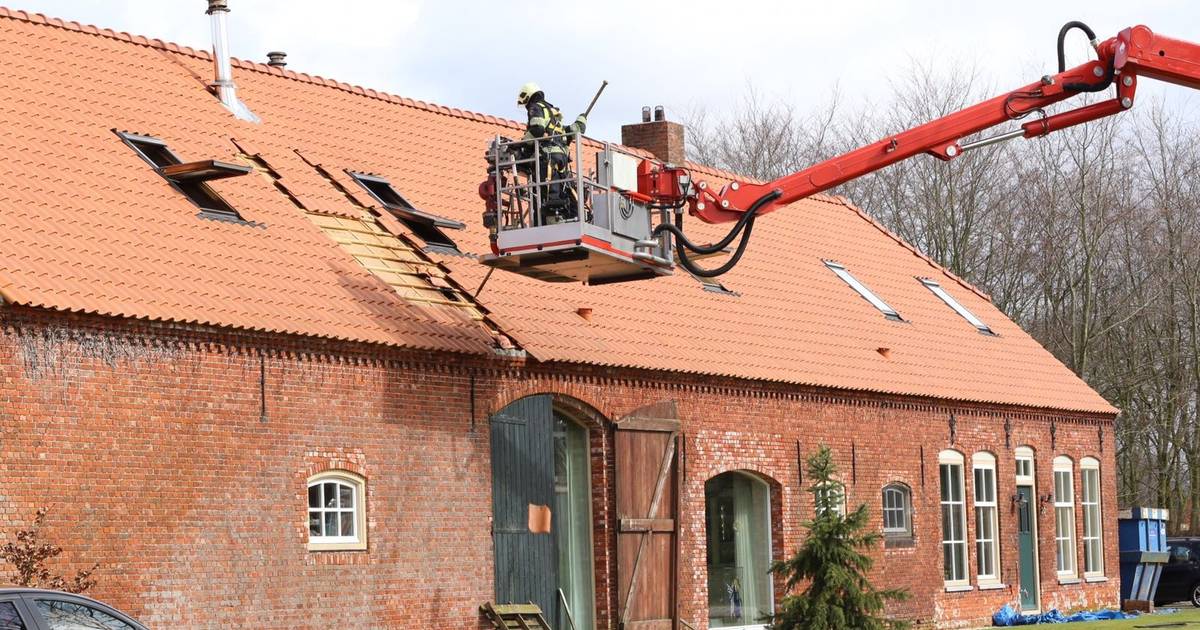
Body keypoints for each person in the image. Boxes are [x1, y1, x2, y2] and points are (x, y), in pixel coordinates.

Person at [516, 82, 587, 222]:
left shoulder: (535, 107)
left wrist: (521, 144)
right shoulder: (553, 115)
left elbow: (537, 130)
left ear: (528, 97)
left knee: (546, 194)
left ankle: (547, 221)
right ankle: (574, 216)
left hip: (547, 158)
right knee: (565, 189)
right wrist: (581, 121)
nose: (526, 107)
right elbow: (574, 131)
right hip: (561, 159)